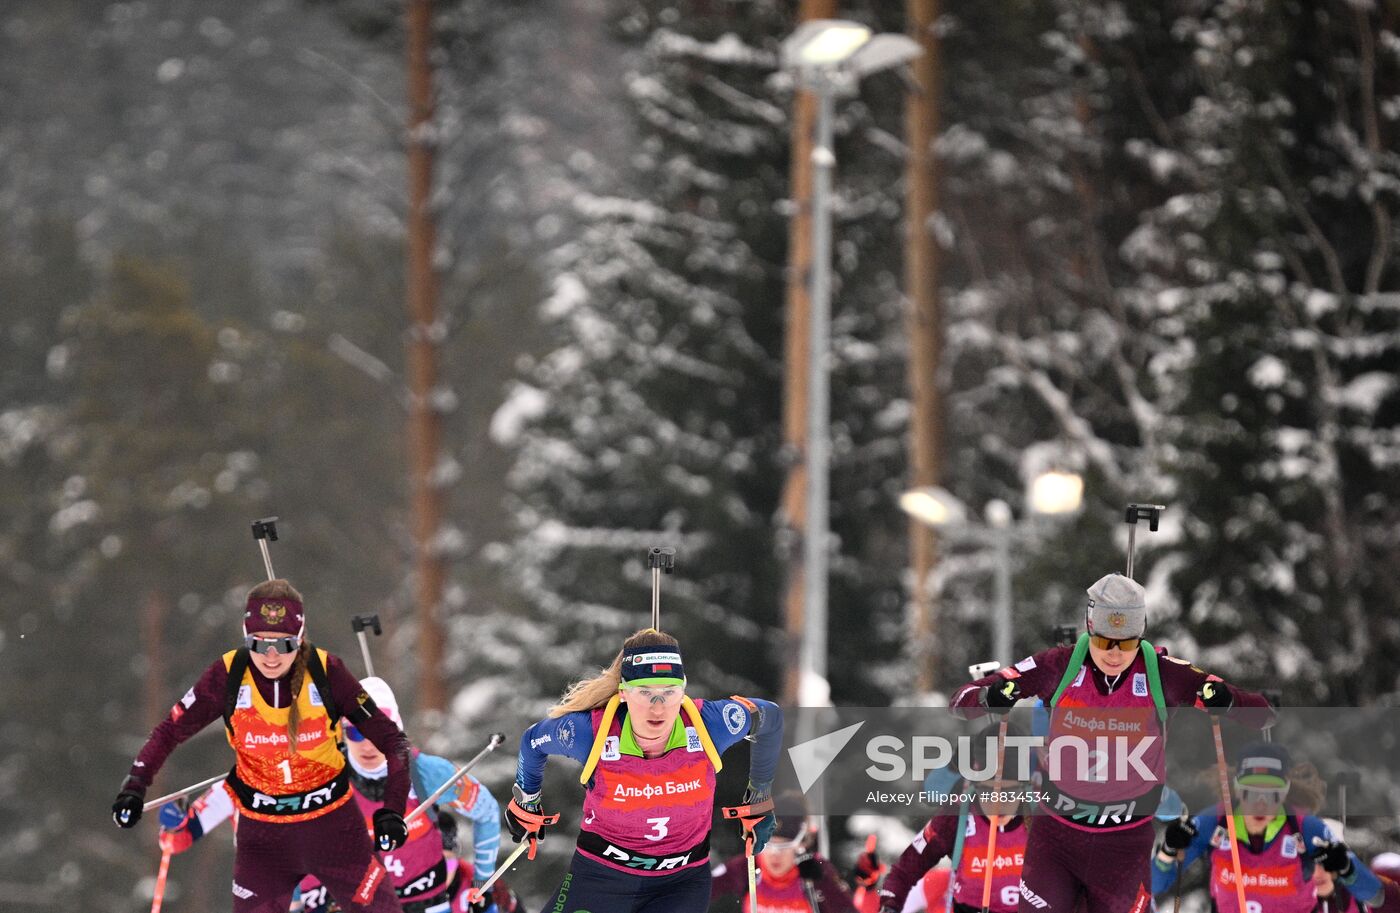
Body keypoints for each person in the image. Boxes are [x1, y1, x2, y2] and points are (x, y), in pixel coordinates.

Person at [951, 572, 1276, 912]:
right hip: (1057, 839)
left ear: (1142, 633)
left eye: (1128, 642)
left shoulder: (1164, 675)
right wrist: (990, 697)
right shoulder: (1057, 667)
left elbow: (1263, 714)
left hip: (1124, 846)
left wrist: (1226, 700)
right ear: (1090, 626)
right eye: (1105, 641)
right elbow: (962, 700)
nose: (1116, 654)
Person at [111, 579, 411, 912]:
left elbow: (393, 741)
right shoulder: (228, 675)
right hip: (265, 842)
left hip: (335, 831)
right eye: (258, 643)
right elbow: (170, 731)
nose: (270, 656)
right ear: (245, 635)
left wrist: (392, 812)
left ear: (299, 639)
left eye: (282, 645)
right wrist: (135, 785)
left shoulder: (327, 673)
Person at [159, 675, 514, 913]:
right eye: (355, 732)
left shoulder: (426, 773)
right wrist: (186, 827)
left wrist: (483, 882)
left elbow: (485, 812)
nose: (368, 743)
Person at [508, 628, 783, 913]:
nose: (658, 707)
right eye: (645, 692)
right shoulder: (588, 733)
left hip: (680, 884)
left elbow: (770, 717)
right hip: (600, 877)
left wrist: (759, 796)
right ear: (624, 692)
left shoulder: (710, 725)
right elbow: (533, 741)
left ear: (683, 689)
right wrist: (526, 800)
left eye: (669, 692)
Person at [1152, 744, 1381, 912]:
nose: (1260, 804)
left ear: (1284, 792)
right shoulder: (1215, 822)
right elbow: (1155, 884)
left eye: (1272, 794)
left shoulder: (1306, 828)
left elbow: (1375, 896)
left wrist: (1345, 866)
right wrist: (1169, 849)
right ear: (1238, 790)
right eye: (1251, 792)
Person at [877, 724, 1030, 913]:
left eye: (1009, 792)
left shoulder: (1040, 816)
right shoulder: (957, 815)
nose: (998, 801)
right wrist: (890, 905)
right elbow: (904, 870)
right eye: (988, 791)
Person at [711, 792, 858, 912]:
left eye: (784, 846)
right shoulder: (746, 866)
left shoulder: (816, 872)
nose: (775, 854)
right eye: (767, 845)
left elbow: (847, 909)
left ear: (802, 844)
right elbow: (701, 889)